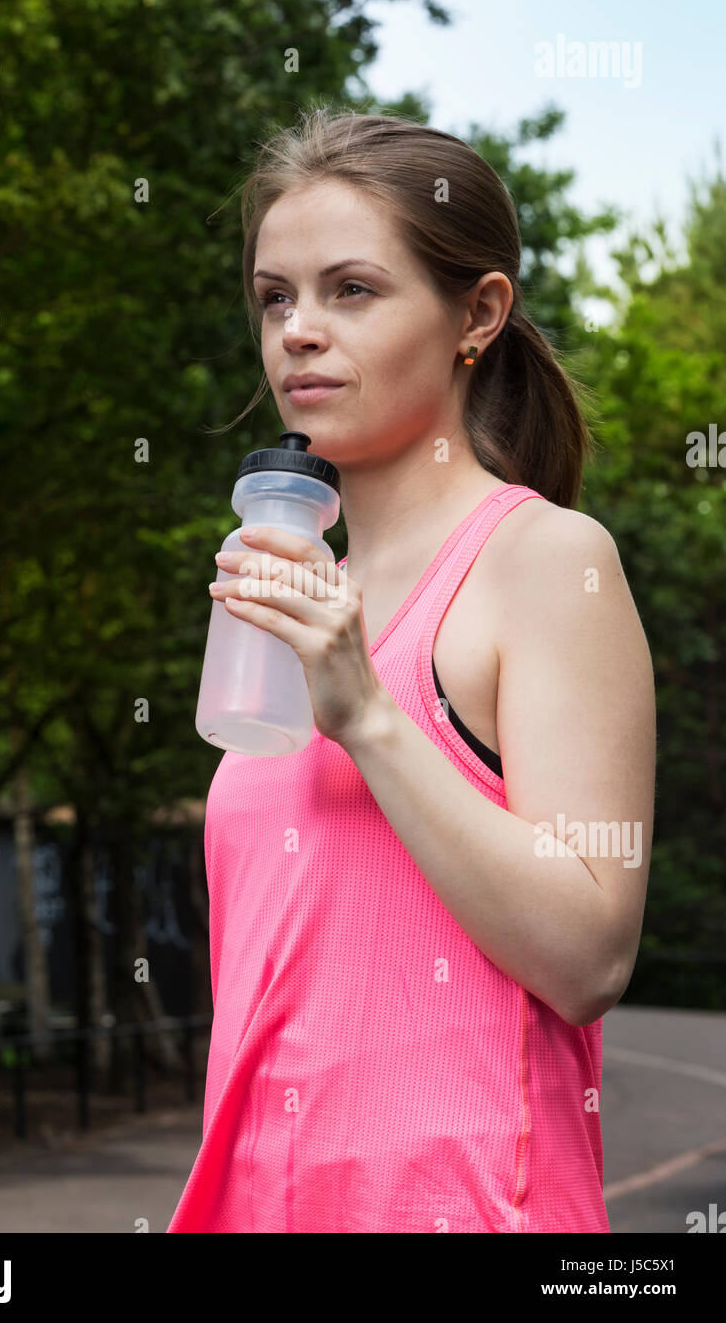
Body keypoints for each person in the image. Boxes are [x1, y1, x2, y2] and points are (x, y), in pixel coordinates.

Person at [167, 107, 656, 1233]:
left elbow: (587, 953)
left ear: (475, 315)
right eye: (273, 297)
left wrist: (368, 718)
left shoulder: (544, 562)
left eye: (351, 289)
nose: (296, 330)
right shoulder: (293, 595)